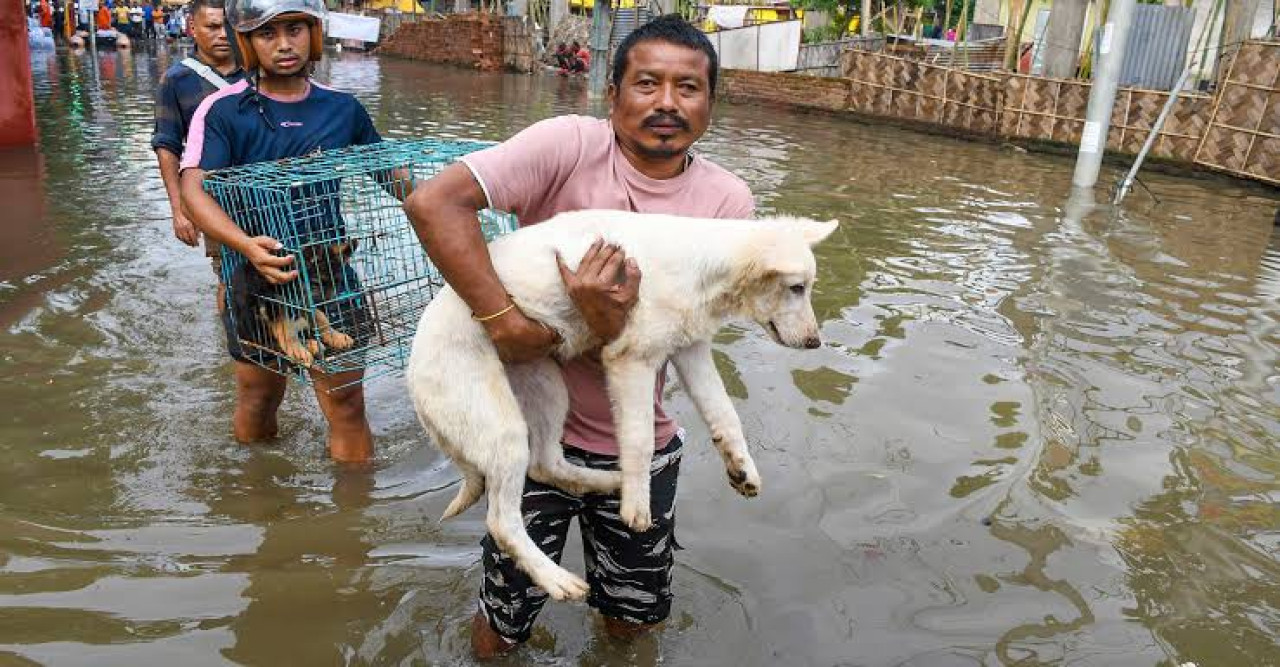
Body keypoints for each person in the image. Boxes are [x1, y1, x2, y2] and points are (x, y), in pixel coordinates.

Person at [402, 14, 753, 659]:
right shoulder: (566, 144)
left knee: (632, 619)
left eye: (689, 88)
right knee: (502, 624)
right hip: (530, 432)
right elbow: (433, 202)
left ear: (710, 103)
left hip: (638, 451)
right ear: (612, 94)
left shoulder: (727, 205)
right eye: (647, 84)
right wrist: (504, 324)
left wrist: (604, 320)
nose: (668, 103)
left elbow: (684, 337)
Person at [180, 0, 406, 464]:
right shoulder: (222, 110)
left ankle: (353, 519)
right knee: (259, 397)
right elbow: (194, 190)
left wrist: (460, 198)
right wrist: (244, 245)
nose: (284, 44)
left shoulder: (343, 109)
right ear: (247, 42)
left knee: (346, 403)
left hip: (330, 274)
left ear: (314, 34)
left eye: (295, 29)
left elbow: (392, 176)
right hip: (256, 275)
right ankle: (261, 496)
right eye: (267, 33)